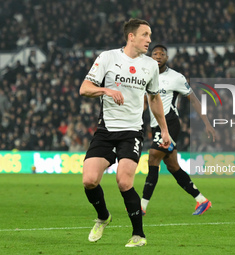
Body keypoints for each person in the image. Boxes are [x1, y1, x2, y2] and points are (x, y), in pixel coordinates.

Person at [80, 19, 170, 247]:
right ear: (131, 36)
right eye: (145, 35)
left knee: (124, 181)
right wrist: (106, 90)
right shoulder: (107, 57)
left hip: (132, 132)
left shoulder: (150, 65)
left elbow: (154, 98)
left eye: (150, 35)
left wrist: (164, 130)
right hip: (106, 130)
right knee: (89, 181)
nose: (149, 40)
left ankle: (139, 235)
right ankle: (103, 217)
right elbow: (85, 88)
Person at [141, 44, 216, 216]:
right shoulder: (145, 76)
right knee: (173, 166)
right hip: (155, 125)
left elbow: (194, 100)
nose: (158, 56)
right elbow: (145, 102)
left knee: (153, 157)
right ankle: (202, 200)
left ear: (167, 58)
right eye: (155, 53)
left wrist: (206, 122)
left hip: (170, 123)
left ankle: (141, 206)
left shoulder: (176, 77)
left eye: (162, 54)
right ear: (150, 57)